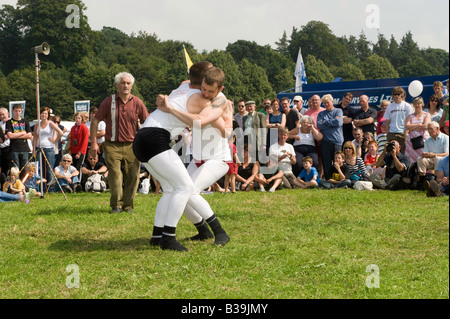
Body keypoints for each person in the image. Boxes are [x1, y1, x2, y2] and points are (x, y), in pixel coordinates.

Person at [135, 64, 231, 251]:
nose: (206, 93)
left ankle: (159, 235)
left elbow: (212, 124)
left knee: (173, 189)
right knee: (185, 188)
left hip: (142, 139)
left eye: (210, 90)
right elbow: (200, 119)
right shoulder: (201, 98)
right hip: (156, 139)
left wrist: (169, 106)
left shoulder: (186, 89)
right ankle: (169, 238)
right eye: (204, 87)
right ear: (201, 81)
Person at [90, 72, 149, 214]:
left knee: (133, 176)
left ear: (132, 86)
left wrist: (147, 141)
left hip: (132, 145)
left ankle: (128, 206)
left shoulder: (137, 102)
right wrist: (94, 143)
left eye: (128, 83)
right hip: (112, 145)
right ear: (117, 85)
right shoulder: (108, 102)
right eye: (123, 83)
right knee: (115, 175)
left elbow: (147, 121)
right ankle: (116, 205)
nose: (125, 86)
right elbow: (95, 121)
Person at [33, 107, 63, 185]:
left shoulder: (50, 123)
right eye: (42, 113)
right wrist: (33, 150)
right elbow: (35, 137)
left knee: (49, 169)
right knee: (40, 168)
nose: (44, 115)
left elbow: (60, 132)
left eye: (45, 113)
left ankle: (51, 186)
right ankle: (43, 186)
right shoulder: (37, 124)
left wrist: (54, 141)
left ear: (48, 115)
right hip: (39, 148)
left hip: (48, 148)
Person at [317, 94, 344, 180]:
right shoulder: (321, 114)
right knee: (326, 162)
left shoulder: (338, 111)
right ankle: (328, 180)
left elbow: (338, 123)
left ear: (332, 102)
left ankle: (339, 179)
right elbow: (319, 125)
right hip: (325, 141)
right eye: (324, 103)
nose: (326, 104)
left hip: (337, 141)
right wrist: (333, 121)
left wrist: (325, 122)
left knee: (338, 162)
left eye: (328, 102)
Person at [416, 121, 449, 186]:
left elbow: (447, 153)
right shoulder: (428, 140)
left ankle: (437, 182)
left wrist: (435, 155)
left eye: (431, 128)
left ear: (437, 128)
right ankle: (422, 181)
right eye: (428, 129)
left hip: (442, 160)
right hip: (431, 159)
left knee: (438, 159)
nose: (429, 131)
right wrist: (424, 154)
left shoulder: (446, 138)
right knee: (420, 159)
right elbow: (426, 153)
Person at [383, 87, 413, 153]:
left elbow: (410, 121)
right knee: (391, 152)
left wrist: (406, 134)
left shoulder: (407, 106)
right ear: (392, 95)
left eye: (398, 94)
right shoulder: (389, 107)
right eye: (395, 94)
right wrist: (388, 134)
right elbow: (387, 122)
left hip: (403, 133)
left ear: (402, 95)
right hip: (392, 133)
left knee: (402, 152)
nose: (396, 96)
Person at [5, 104, 32, 170]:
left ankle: (24, 180)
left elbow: (29, 135)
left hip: (24, 148)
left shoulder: (25, 122)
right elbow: (10, 135)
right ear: (13, 111)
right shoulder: (9, 122)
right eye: (16, 111)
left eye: (19, 111)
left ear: (21, 111)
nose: (17, 113)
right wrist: (22, 133)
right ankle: (16, 180)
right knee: (15, 169)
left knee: (25, 168)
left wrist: (15, 135)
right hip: (14, 149)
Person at [404, 97, 431, 165]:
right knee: (412, 160)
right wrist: (419, 124)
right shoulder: (410, 116)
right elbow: (407, 126)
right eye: (415, 104)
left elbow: (425, 126)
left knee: (423, 158)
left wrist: (412, 126)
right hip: (411, 141)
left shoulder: (426, 115)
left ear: (422, 104)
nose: (417, 105)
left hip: (423, 140)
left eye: (419, 103)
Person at [0, 107, 11, 175]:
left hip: (9, 148)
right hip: (1, 149)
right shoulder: (0, 124)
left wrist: (3, 133)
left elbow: (10, 135)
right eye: (0, 115)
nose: (2, 116)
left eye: (3, 114)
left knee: (9, 168)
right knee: (3, 169)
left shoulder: (11, 122)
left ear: (8, 114)